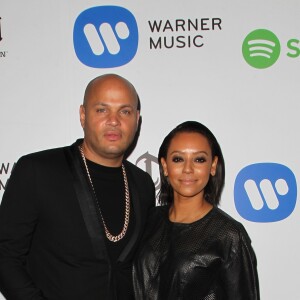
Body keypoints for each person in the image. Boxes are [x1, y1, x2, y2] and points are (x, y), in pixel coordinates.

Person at [0, 74, 155, 300]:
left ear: (137, 119)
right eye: (102, 110)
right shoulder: (38, 171)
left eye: (125, 111)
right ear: (83, 115)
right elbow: (5, 255)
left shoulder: (142, 184)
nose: (114, 120)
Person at [133, 121, 260, 300]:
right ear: (165, 166)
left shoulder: (228, 235)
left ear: (213, 166)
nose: (188, 169)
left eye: (199, 159)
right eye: (178, 159)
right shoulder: (149, 220)